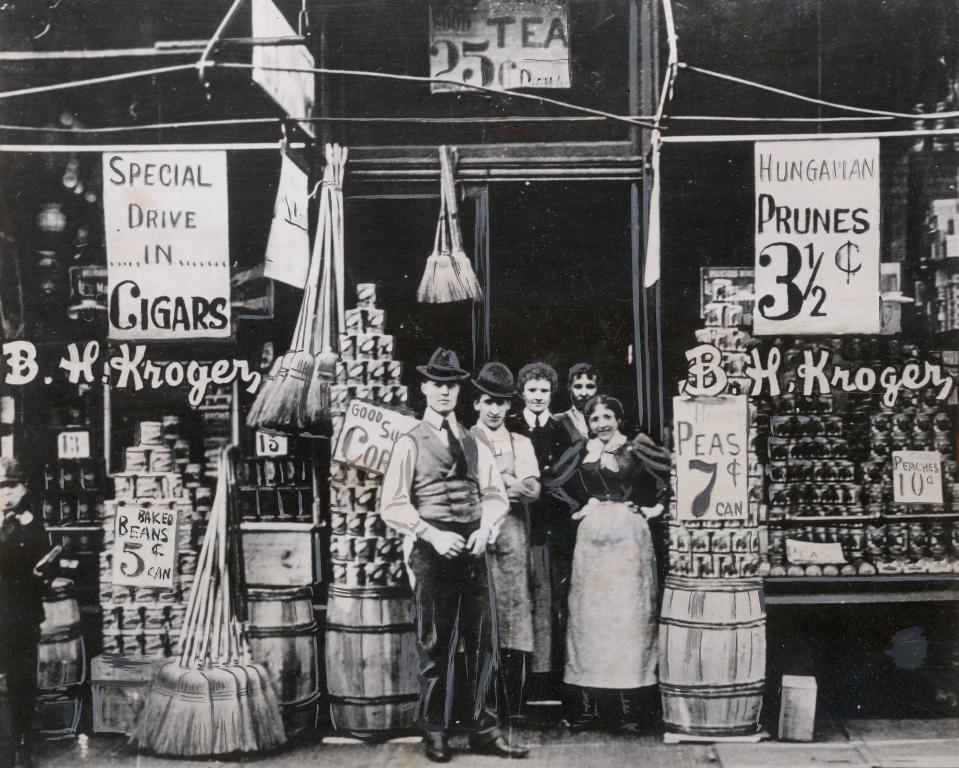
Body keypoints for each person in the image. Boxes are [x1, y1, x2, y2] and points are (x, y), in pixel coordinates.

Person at [379, 348, 529, 763]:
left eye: (451, 385)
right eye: (437, 384)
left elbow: (495, 495)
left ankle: (485, 729)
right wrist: (429, 533)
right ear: (424, 387)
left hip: (472, 550)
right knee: (436, 643)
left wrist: (487, 528)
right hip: (432, 550)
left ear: (460, 391)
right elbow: (391, 504)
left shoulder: (473, 441)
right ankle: (436, 732)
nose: (444, 392)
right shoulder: (409, 441)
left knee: (483, 642)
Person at [561, 396, 670, 734]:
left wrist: (655, 510)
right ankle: (586, 709)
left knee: (629, 619)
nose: (602, 424)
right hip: (592, 544)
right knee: (589, 620)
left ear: (619, 418)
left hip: (628, 540)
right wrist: (578, 508)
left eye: (608, 416)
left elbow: (671, 473)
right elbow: (553, 482)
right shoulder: (582, 450)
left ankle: (630, 711)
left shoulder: (636, 448)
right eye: (595, 419)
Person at [505, 363, 581, 703]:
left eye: (544, 391)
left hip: (552, 525)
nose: (538, 397)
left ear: (552, 394)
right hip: (519, 519)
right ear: (522, 392)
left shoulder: (562, 428)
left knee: (552, 599)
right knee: (521, 598)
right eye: (532, 390)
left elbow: (571, 473)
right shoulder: (510, 425)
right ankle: (520, 683)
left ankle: (550, 679)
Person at [469, 363, 540, 725]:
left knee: (513, 619)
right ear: (477, 403)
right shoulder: (464, 439)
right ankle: (481, 707)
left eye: (501, 403)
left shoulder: (521, 442)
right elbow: (463, 490)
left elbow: (533, 489)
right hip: (477, 538)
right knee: (480, 619)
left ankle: (512, 706)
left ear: (510, 406)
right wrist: (509, 481)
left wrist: (496, 485)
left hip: (511, 540)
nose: (494, 410)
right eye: (488, 402)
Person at [0, 457, 56, 768]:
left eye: (12, 486)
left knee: (22, 679)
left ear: (24, 489)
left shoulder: (32, 523)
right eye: (1, 488)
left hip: (22, 613)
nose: (6, 494)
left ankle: (22, 741)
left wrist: (45, 571)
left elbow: (46, 561)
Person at [555, 364, 599, 442]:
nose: (584, 393)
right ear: (569, 388)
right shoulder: (559, 422)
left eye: (590, 386)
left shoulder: (610, 421)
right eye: (578, 386)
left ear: (598, 388)